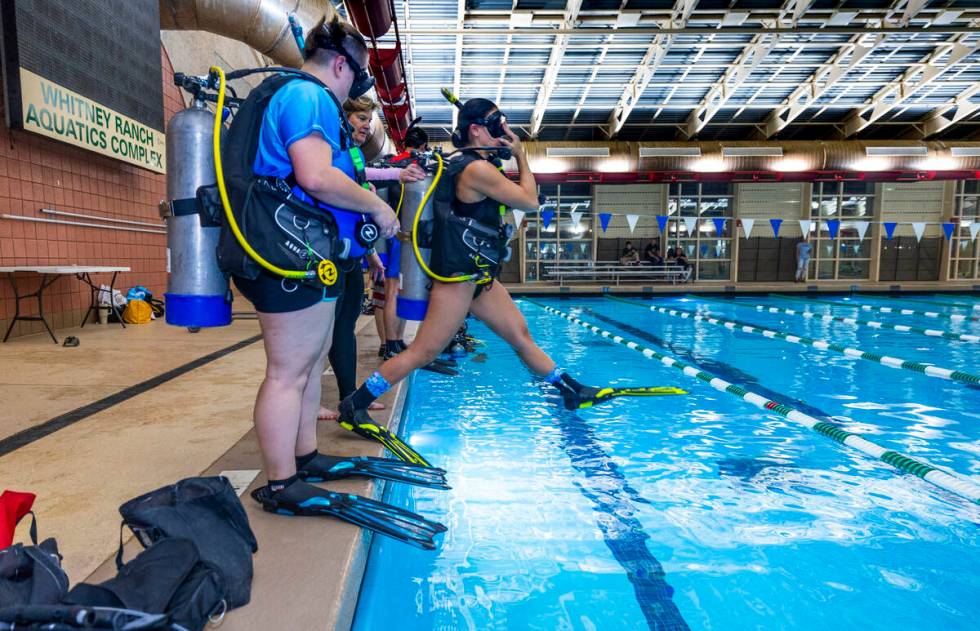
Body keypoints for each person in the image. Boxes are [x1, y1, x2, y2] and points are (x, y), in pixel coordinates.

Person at [333, 96, 671, 465]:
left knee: (519, 334)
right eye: (497, 129)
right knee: (423, 352)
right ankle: (355, 404)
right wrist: (522, 156)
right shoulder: (475, 169)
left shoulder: (469, 163)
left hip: (478, 275)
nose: (502, 136)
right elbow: (529, 201)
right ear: (476, 130)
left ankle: (570, 389)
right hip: (458, 278)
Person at [232, 16, 445, 547]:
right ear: (342, 65)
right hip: (282, 249)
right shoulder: (307, 97)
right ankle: (282, 483)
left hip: (294, 247)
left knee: (306, 362)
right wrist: (377, 205)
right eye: (357, 79)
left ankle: (303, 458)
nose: (355, 92)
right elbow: (315, 176)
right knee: (286, 371)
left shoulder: (293, 94)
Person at [317, 96, 425, 422]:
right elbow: (346, 186)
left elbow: (365, 178)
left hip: (349, 254)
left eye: (369, 120)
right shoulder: (328, 148)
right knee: (319, 333)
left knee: (344, 329)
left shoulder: (351, 152)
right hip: (324, 255)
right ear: (344, 117)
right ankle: (311, 404)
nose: (366, 125)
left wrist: (371, 254)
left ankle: (350, 398)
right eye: (361, 118)